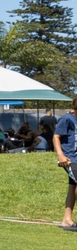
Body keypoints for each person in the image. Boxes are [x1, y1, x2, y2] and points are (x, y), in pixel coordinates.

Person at [52, 97, 77, 229]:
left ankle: (66, 220)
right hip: (70, 159)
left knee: (73, 187)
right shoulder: (67, 119)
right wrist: (60, 155)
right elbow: (56, 137)